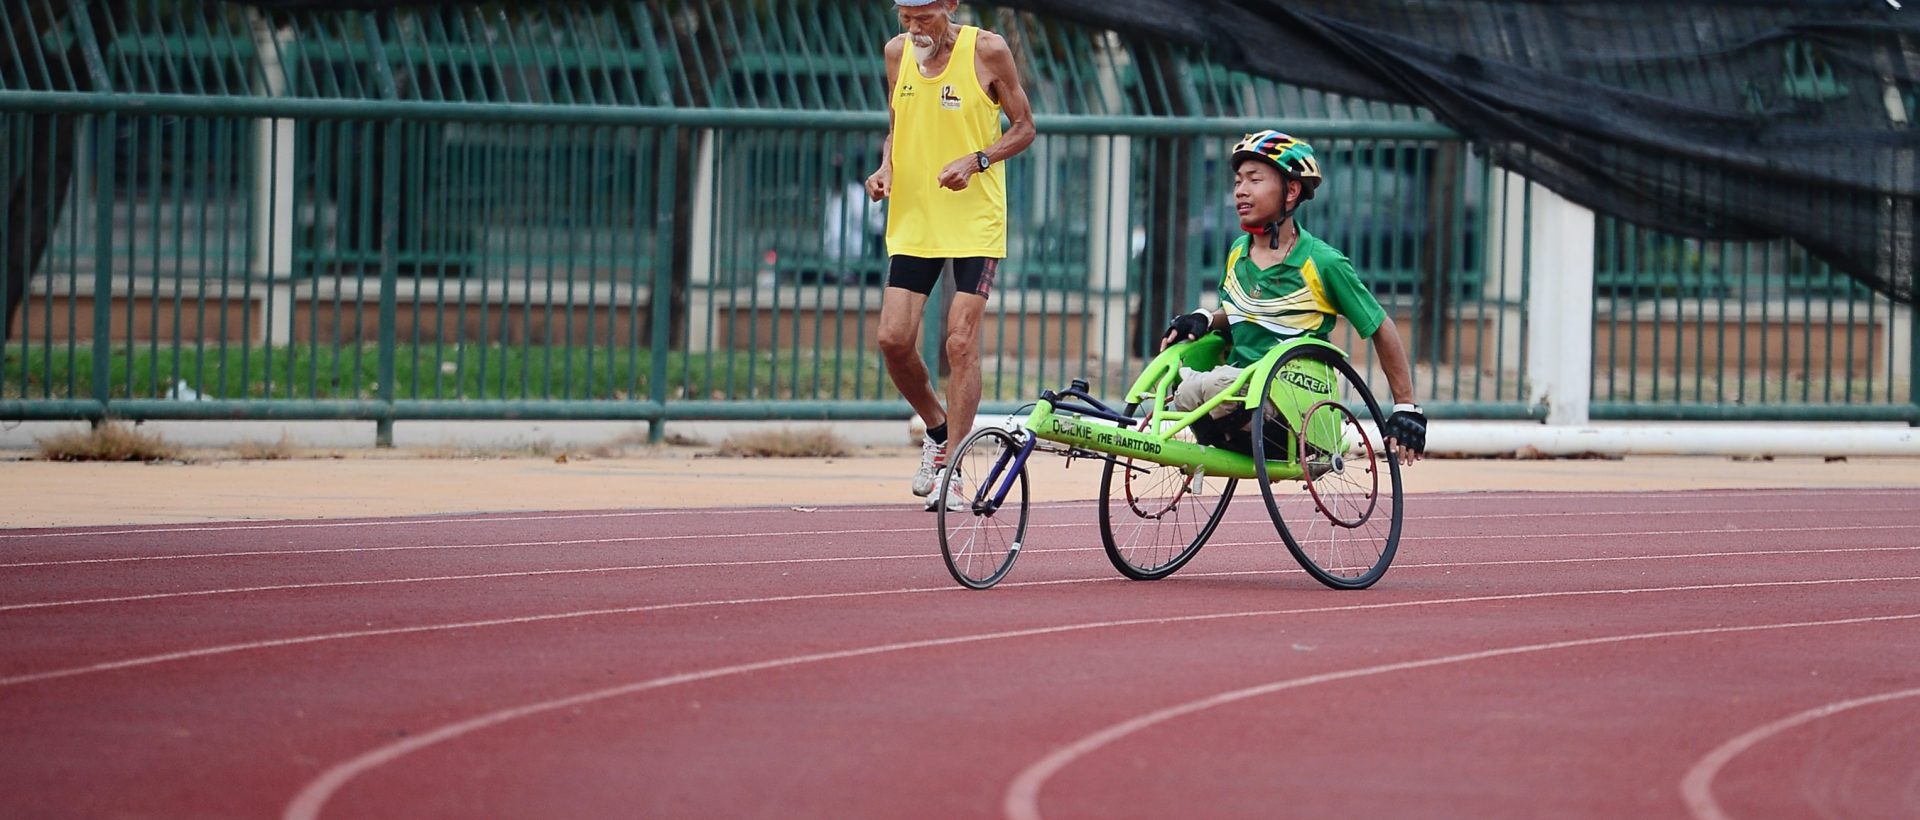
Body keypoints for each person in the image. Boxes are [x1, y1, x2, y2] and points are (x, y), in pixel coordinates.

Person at [1160, 130, 1428, 464]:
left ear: (1291, 190)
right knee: (1181, 390)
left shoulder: (1323, 262)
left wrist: (1405, 407)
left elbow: (1380, 326)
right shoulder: (1237, 253)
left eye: (1254, 180)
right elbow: (1248, 313)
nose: (1241, 191)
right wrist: (1204, 317)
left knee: (1215, 386)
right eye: (1238, 181)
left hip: (1292, 410)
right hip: (1238, 399)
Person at [865, 0, 1035, 510]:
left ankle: (955, 469)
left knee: (959, 342)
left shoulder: (987, 49)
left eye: (924, 17)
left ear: (950, 7)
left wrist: (978, 159)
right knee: (893, 339)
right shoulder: (897, 54)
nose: (914, 29)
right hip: (916, 220)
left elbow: (1024, 127)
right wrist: (886, 168)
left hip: (973, 221)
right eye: (906, 18)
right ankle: (938, 431)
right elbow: (899, 122)